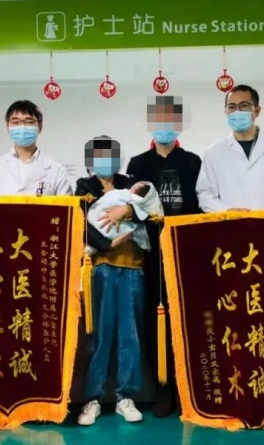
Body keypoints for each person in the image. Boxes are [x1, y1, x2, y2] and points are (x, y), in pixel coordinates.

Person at [126, 95, 202, 417]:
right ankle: (163, 388)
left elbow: (201, 206)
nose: (164, 127)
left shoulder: (193, 162)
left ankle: (189, 387)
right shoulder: (138, 164)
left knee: (189, 319)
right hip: (151, 255)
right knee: (155, 321)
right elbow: (132, 211)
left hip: (186, 252)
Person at [76, 136, 148, 426]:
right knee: (100, 333)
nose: (105, 161)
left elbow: (151, 213)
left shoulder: (133, 183)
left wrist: (127, 212)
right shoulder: (84, 187)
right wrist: (106, 244)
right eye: (98, 155)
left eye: (110, 155)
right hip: (100, 267)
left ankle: (125, 397)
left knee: (130, 334)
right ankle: (92, 398)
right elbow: (79, 222)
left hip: (132, 265)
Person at [196, 84, 264, 212]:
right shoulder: (214, 152)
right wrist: (227, 211)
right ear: (225, 112)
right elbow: (205, 194)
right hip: (232, 222)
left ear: (257, 111)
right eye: (231, 107)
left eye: (244, 106)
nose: (237, 112)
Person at [0, 100, 72, 196]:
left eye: (29, 122)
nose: (22, 127)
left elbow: (67, 204)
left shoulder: (56, 170)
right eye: (16, 122)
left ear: (40, 127)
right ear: (8, 127)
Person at [84, 182, 162, 256]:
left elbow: (152, 217)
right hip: (99, 235)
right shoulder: (85, 186)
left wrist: (128, 210)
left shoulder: (123, 190)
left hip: (93, 220)